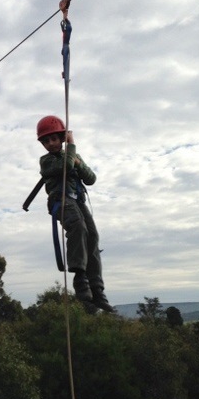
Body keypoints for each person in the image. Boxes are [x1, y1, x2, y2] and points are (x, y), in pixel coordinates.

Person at [37, 115, 115, 314]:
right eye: (46, 141)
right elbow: (66, 166)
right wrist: (72, 146)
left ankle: (97, 290)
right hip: (60, 200)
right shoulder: (46, 161)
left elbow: (91, 179)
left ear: (60, 138)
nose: (50, 144)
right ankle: (81, 282)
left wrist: (79, 162)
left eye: (54, 139)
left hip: (77, 200)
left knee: (93, 237)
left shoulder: (72, 157)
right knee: (78, 226)